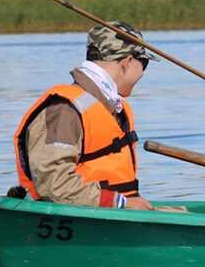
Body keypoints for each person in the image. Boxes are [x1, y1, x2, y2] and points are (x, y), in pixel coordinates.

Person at [14, 21, 157, 210]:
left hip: (115, 216)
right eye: (144, 63)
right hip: (88, 219)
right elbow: (54, 184)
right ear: (127, 62)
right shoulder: (64, 111)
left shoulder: (106, 105)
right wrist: (120, 203)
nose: (143, 72)